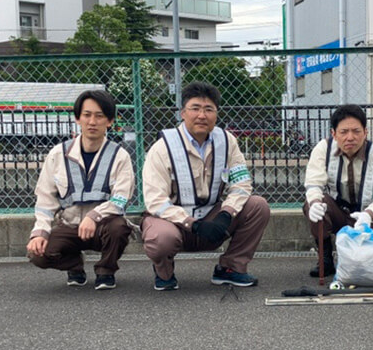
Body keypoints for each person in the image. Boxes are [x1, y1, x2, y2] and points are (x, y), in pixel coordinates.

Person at [141, 81, 270, 290]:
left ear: (216, 114)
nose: (202, 115)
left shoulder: (227, 141)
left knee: (258, 206)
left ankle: (230, 268)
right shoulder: (162, 147)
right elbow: (155, 201)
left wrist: (226, 213)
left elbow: (241, 183)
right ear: (183, 113)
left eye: (209, 109)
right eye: (195, 109)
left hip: (212, 218)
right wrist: (192, 224)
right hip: (174, 224)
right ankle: (164, 271)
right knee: (161, 238)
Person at [27, 90, 134, 290]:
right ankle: (74, 265)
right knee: (37, 253)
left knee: (119, 228)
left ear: (110, 121)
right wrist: (40, 231)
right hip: (69, 225)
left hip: (103, 226)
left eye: (99, 115)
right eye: (86, 115)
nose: (92, 121)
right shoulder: (58, 154)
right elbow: (45, 199)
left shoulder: (120, 156)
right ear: (77, 118)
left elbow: (121, 199)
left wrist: (95, 215)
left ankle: (105, 271)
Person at [303, 104, 373, 277]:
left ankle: (372, 258)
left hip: (367, 213)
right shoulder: (323, 149)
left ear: (366, 132)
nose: (350, 137)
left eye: (356, 131)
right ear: (333, 133)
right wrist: (315, 202)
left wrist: (368, 214)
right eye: (344, 132)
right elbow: (314, 183)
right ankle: (325, 257)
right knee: (313, 206)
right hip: (339, 212)